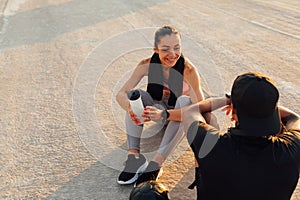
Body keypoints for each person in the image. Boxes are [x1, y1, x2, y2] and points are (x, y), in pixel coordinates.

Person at [144, 72, 300, 200]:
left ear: (234, 112)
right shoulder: (292, 149)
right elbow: (294, 118)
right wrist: (262, 106)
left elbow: (191, 111)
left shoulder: (211, 144)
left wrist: (228, 100)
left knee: (146, 193)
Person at [116, 25, 216, 185]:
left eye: (177, 48)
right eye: (165, 49)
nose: (172, 54)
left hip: (177, 116)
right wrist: (130, 107)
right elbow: (121, 93)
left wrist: (205, 142)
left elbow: (199, 108)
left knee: (184, 100)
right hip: (156, 109)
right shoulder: (146, 64)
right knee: (136, 96)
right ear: (156, 49)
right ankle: (134, 157)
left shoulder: (188, 70)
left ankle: (156, 165)